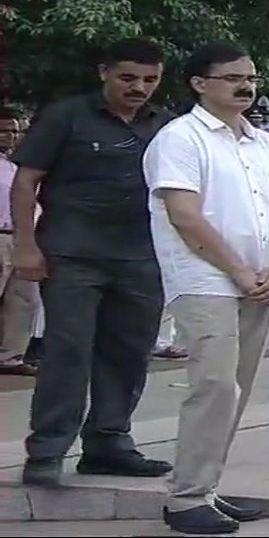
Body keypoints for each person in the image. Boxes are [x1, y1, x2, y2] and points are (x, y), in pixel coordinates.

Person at [143, 42, 269, 534]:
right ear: (199, 83)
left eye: (250, 76)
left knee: (236, 388)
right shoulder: (180, 138)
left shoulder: (265, 142)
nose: (246, 86)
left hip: (261, 279)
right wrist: (237, 269)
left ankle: (207, 487)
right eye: (232, 77)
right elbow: (185, 216)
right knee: (213, 383)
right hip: (205, 276)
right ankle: (186, 497)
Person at [11, 38, 174, 488]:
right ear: (104, 72)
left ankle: (108, 444)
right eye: (127, 77)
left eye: (149, 79)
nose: (139, 87)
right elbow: (26, 182)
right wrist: (25, 246)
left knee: (128, 355)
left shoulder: (168, 126)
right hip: (71, 255)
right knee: (67, 355)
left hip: (142, 258)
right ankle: (46, 451)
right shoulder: (67, 116)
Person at [0, 113, 38, 377]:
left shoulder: (18, 167)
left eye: (14, 131)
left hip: (21, 236)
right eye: (3, 131)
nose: (9, 136)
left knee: (24, 299)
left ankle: (10, 356)